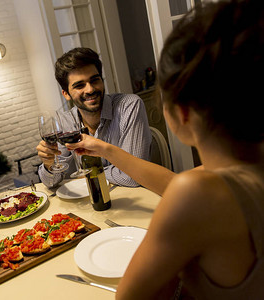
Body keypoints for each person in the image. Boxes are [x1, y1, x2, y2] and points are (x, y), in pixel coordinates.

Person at [70, 0, 264, 298]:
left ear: (181, 113)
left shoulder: (196, 194)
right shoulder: (235, 172)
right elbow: (173, 184)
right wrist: (106, 149)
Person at [36, 47, 152, 188]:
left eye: (95, 80)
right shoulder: (64, 123)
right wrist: (49, 164)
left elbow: (133, 177)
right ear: (66, 94)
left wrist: (86, 174)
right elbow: (51, 182)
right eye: (80, 85)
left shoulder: (129, 106)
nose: (90, 89)